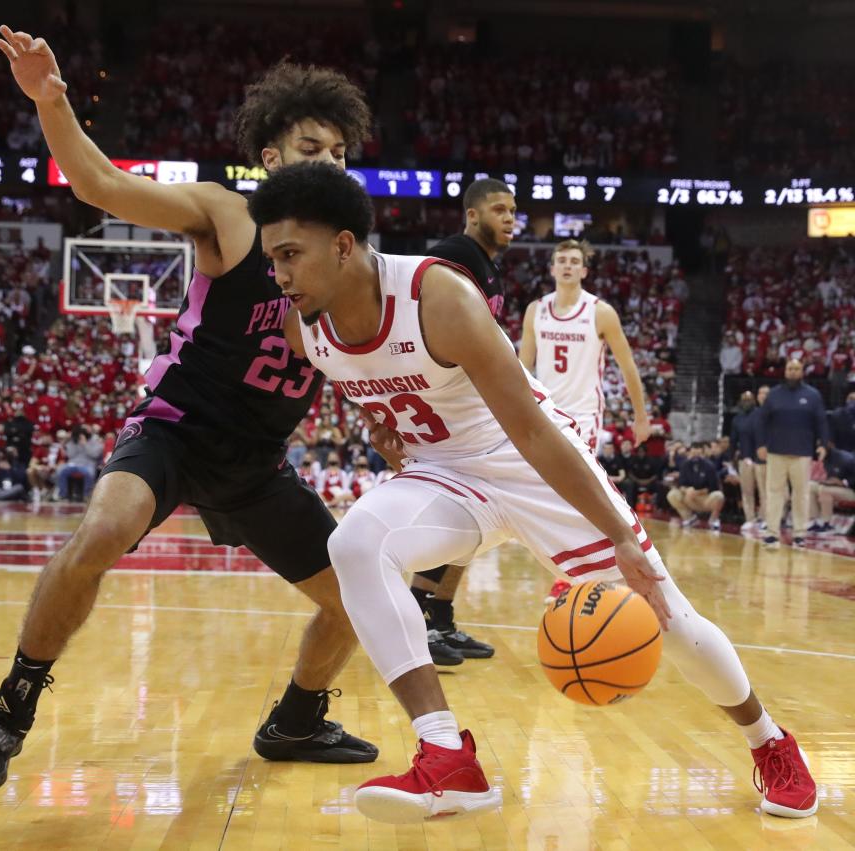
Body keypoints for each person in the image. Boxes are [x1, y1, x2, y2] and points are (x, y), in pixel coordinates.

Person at [249, 162, 817, 824]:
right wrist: (380, 421)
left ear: (344, 245)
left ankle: (769, 739)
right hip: (445, 474)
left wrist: (620, 536)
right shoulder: (305, 327)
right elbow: (373, 382)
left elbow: (532, 429)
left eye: (291, 254)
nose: (280, 274)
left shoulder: (439, 296)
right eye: (273, 259)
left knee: (671, 619)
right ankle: (447, 758)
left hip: (525, 460)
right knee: (355, 542)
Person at [0, 26, 378, 792]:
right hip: (175, 431)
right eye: (314, 145)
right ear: (272, 160)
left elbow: (362, 362)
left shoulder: (350, 260)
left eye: (341, 152)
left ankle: (297, 720)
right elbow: (99, 185)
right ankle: (7, 709)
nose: (332, 161)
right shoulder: (227, 214)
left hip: (257, 464)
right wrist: (53, 102)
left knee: (360, 599)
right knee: (104, 527)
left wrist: (385, 422)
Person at [408, 179, 516, 665]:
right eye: (500, 210)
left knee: (476, 522)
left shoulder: (485, 265)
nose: (511, 218)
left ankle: (441, 618)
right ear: (472, 216)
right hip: (444, 414)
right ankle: (414, 625)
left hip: (470, 415)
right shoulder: (453, 257)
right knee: (451, 518)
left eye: (513, 210)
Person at [519, 238, 653, 603]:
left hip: (583, 416)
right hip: (543, 412)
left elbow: (627, 366)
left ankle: (575, 577)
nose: (566, 265)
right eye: (560, 260)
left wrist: (642, 416)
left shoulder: (600, 311)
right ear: (551, 268)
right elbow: (522, 366)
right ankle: (584, 569)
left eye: (573, 261)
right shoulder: (537, 310)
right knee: (547, 496)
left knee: (573, 493)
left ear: (583, 270)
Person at [758, 359, 828, 548]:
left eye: (796, 369)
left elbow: (821, 421)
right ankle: (772, 533)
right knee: (774, 493)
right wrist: (761, 444)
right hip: (776, 452)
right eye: (790, 369)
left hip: (802, 453)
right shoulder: (774, 395)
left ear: (802, 372)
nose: (793, 372)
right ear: (785, 371)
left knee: (801, 494)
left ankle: (799, 534)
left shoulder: (813, 395)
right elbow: (762, 421)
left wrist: (823, 445)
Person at [667, 443, 725, 531]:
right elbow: (681, 484)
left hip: (705, 498)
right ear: (689, 453)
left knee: (719, 496)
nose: (695, 457)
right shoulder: (685, 465)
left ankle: (714, 519)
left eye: (698, 454)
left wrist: (698, 492)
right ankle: (689, 518)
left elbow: (714, 487)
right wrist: (687, 490)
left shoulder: (709, 466)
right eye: (693, 454)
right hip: (689, 497)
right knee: (672, 495)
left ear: (703, 454)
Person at [731, 390, 764, 531]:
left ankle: (765, 518)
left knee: (764, 491)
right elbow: (733, 440)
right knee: (747, 491)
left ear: (754, 401)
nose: (746, 401)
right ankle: (750, 518)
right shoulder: (737, 419)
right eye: (744, 399)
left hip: (762, 460)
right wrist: (731, 457)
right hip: (745, 459)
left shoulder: (761, 415)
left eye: (749, 399)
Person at [807, 447, 855, 533]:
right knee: (809, 487)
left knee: (825, 491)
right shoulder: (826, 458)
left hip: (851, 491)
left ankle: (826, 524)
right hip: (836, 488)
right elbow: (833, 476)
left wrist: (844, 482)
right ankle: (816, 522)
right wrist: (828, 481)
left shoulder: (846, 458)